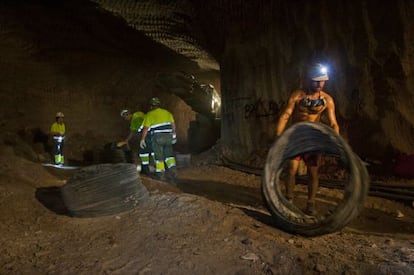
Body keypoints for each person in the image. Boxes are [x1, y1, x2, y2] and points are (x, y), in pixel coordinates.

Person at [275, 63, 340, 215]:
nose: (319, 84)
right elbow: (286, 115)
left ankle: (310, 204)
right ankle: (288, 200)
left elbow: (333, 123)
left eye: (322, 81)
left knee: (313, 172)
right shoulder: (297, 96)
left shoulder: (327, 100)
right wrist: (278, 136)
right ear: (309, 79)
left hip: (313, 139)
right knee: (291, 169)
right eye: (316, 80)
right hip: (296, 137)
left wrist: (336, 139)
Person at [139, 97, 177, 182]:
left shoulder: (150, 114)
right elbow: (173, 125)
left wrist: (142, 139)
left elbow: (145, 128)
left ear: (151, 106)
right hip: (168, 136)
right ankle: (173, 174)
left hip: (158, 137)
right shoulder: (167, 113)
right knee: (169, 156)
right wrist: (174, 135)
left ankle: (161, 176)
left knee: (159, 157)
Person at [119, 109, 152, 175]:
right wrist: (127, 140)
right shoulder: (138, 113)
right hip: (151, 133)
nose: (125, 119)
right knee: (146, 152)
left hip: (147, 135)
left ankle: (146, 171)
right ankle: (144, 169)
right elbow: (133, 131)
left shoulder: (135, 119)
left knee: (143, 153)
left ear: (127, 115)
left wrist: (142, 138)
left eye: (124, 118)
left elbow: (141, 129)